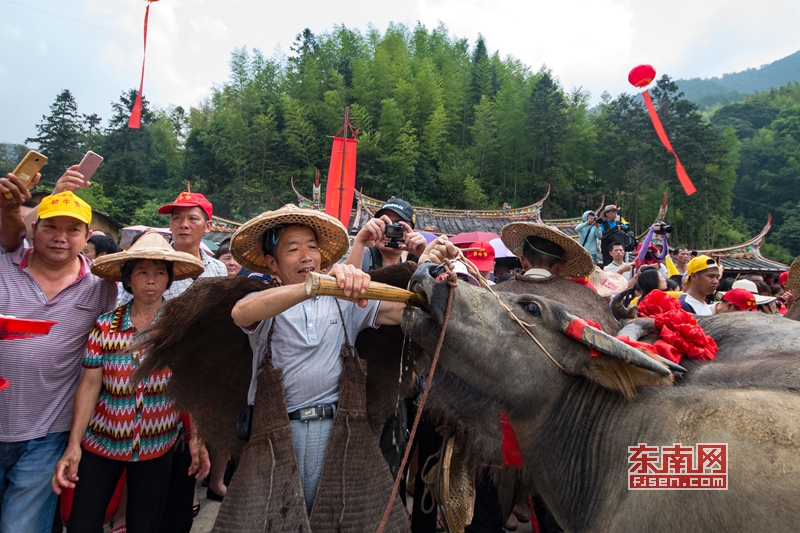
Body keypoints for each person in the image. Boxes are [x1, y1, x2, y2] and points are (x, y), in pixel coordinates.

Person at [229, 204, 454, 515]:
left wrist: (431, 268)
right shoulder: (263, 303)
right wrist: (311, 287)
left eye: (312, 247)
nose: (306, 256)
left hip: (337, 433)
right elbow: (241, 313)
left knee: (335, 520)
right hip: (277, 434)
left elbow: (407, 313)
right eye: (293, 249)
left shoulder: (343, 301)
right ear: (272, 263)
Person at [51, 231, 209, 533]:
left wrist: (196, 439)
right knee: (83, 522)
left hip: (156, 444)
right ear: (128, 279)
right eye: (142, 272)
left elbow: (192, 385)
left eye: (160, 272)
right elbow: (89, 385)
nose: (151, 280)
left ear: (169, 279)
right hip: (102, 443)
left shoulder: (180, 328)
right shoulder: (105, 326)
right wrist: (74, 445)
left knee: (145, 524)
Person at [0, 187, 117, 533]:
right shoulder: (3, 270)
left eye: (73, 230)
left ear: (86, 237)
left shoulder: (100, 286)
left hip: (48, 433)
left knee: (20, 528)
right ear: (32, 229)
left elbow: (104, 353)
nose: (61, 237)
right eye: (51, 227)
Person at [346, 198, 428, 271]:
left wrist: (425, 256)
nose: (389, 230)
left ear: (411, 233)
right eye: (385, 224)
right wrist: (360, 241)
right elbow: (346, 280)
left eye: (398, 227)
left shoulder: (416, 264)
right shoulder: (358, 254)